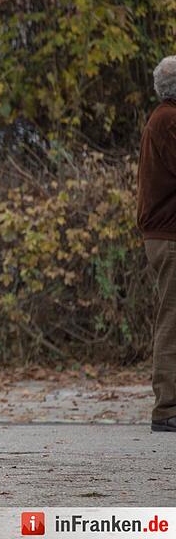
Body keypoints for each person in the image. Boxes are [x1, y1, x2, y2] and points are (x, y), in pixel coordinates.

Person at [138, 54, 176, 432]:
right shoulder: (168, 120)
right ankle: (167, 408)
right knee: (172, 320)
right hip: (169, 237)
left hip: (164, 235)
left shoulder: (162, 118)